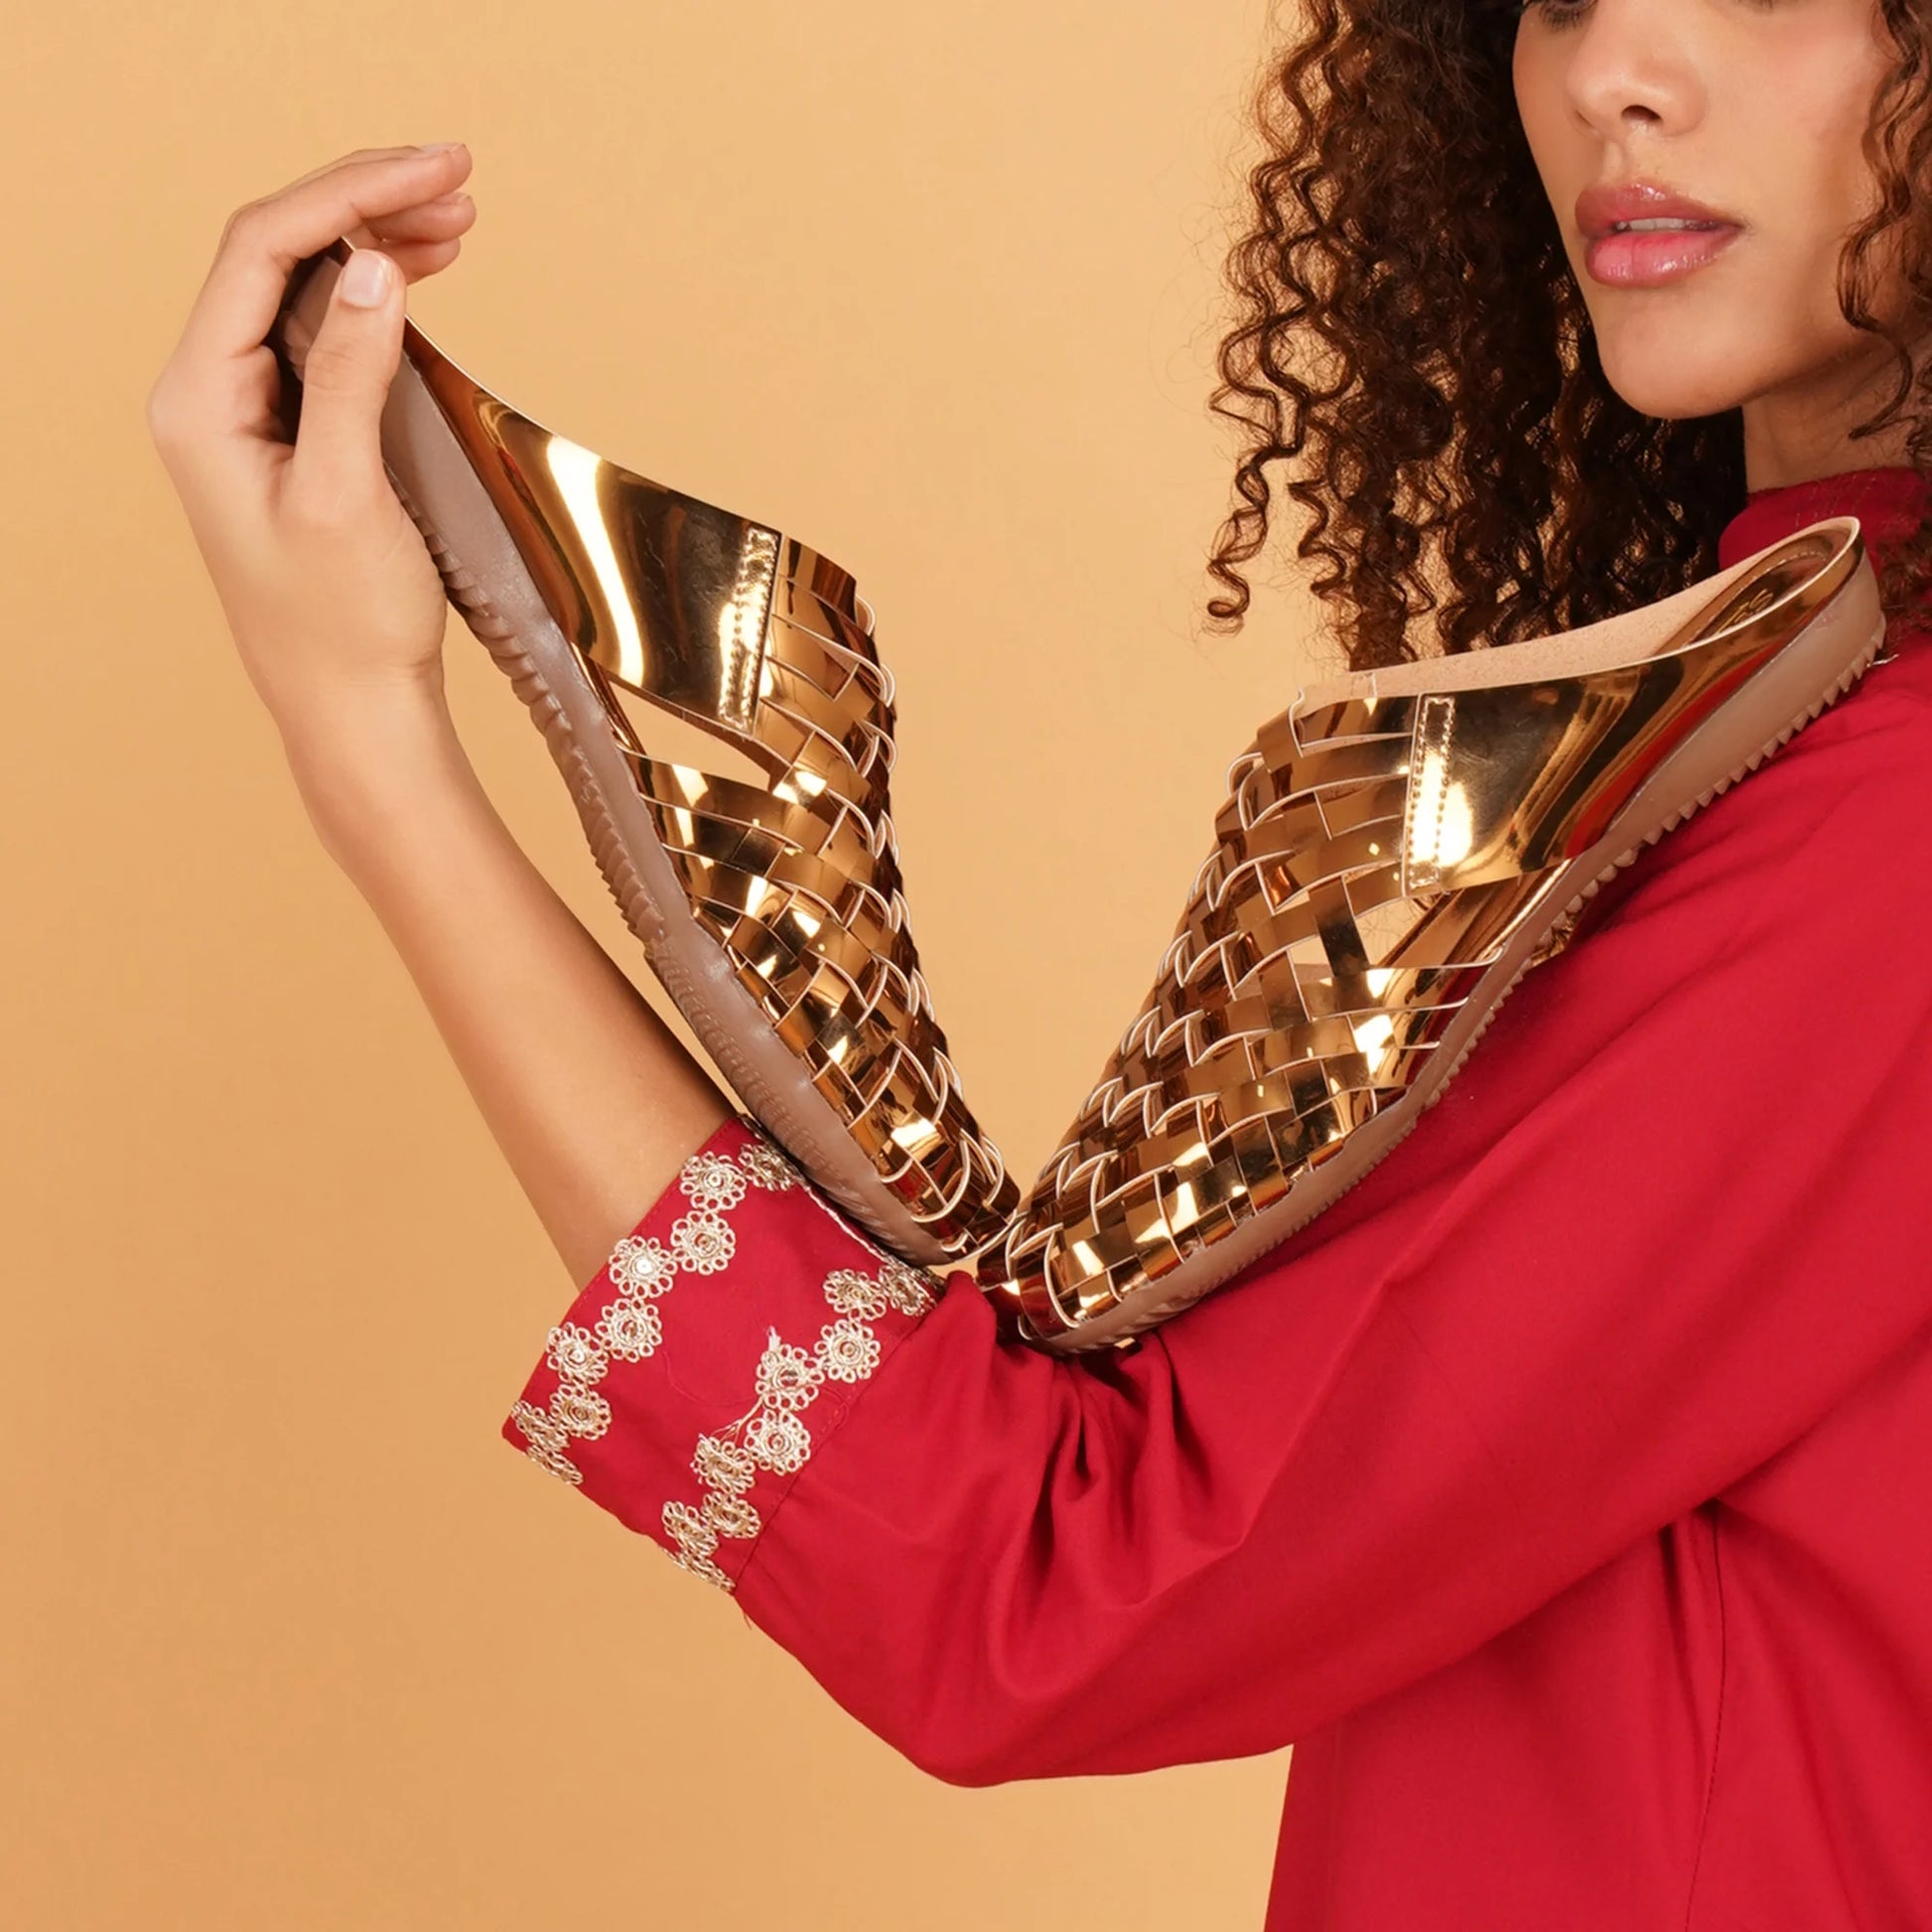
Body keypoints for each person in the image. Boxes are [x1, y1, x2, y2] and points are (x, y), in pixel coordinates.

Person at [145, 1, 1932, 1923]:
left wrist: (372, 749)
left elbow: (1040, 1580)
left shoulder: (1882, 826)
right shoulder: (1772, 722)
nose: (1608, 73)